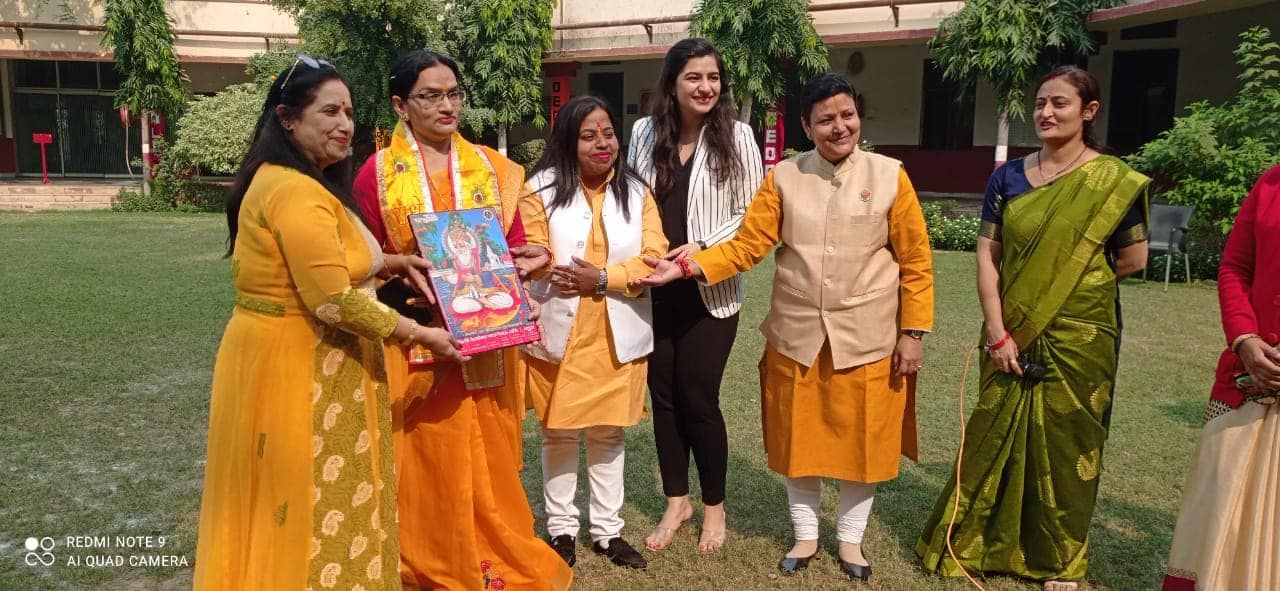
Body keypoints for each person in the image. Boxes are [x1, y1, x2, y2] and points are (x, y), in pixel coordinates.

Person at [634, 72, 935, 582]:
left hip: (868, 335)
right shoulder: (784, 177)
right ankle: (805, 536)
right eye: (825, 119)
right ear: (807, 126)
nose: (839, 127)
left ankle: (851, 540)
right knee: (799, 440)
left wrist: (914, 332)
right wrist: (687, 266)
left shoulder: (890, 176)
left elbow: (917, 261)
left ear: (858, 117)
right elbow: (748, 244)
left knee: (865, 443)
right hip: (797, 334)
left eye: (847, 115)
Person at [194, 56, 467, 590]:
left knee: (309, 498)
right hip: (300, 366)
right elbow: (333, 300)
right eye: (329, 112)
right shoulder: (294, 191)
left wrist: (391, 263)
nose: (345, 124)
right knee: (311, 501)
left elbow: (328, 261)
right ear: (287, 119)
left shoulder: (300, 182)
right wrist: (421, 334)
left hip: (301, 357)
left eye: (348, 112)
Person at [916, 66, 1151, 591]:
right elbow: (988, 255)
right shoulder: (1009, 177)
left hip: (1081, 337)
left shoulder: (1113, 181)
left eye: (1059, 103)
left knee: (1068, 446)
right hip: (1011, 328)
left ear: (1088, 111)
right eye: (1040, 102)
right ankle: (974, 544)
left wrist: (1066, 288)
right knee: (991, 432)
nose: (1046, 112)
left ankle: (1059, 561)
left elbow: (1133, 259)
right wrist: (998, 331)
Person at [351, 50, 570, 591]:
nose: (446, 105)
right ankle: (428, 557)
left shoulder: (494, 169)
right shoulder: (377, 174)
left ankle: (491, 556)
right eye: (431, 95)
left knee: (486, 450)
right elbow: (361, 257)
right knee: (427, 449)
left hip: (489, 334)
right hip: (417, 335)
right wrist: (401, 274)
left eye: (454, 93)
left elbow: (515, 243)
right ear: (400, 105)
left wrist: (529, 263)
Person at [626, 38, 763, 554]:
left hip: (710, 287)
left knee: (698, 397)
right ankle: (676, 500)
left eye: (713, 77)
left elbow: (752, 213)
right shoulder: (643, 133)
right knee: (662, 397)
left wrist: (700, 248)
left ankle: (714, 507)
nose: (706, 87)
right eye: (694, 77)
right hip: (653, 285)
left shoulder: (738, 135)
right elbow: (631, 200)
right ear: (673, 83)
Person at [521, 95, 668, 571]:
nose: (602, 143)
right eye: (589, 136)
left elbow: (654, 255)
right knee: (558, 434)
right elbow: (532, 244)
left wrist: (604, 278)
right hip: (558, 329)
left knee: (608, 435)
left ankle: (607, 532)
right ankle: (561, 529)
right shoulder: (539, 189)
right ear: (568, 141)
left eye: (608, 133)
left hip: (617, 332)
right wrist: (544, 263)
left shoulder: (637, 191)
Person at [1162, 164, 1280, 591]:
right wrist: (1244, 339)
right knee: (1221, 498)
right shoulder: (1271, 184)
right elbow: (1235, 267)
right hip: (1250, 376)